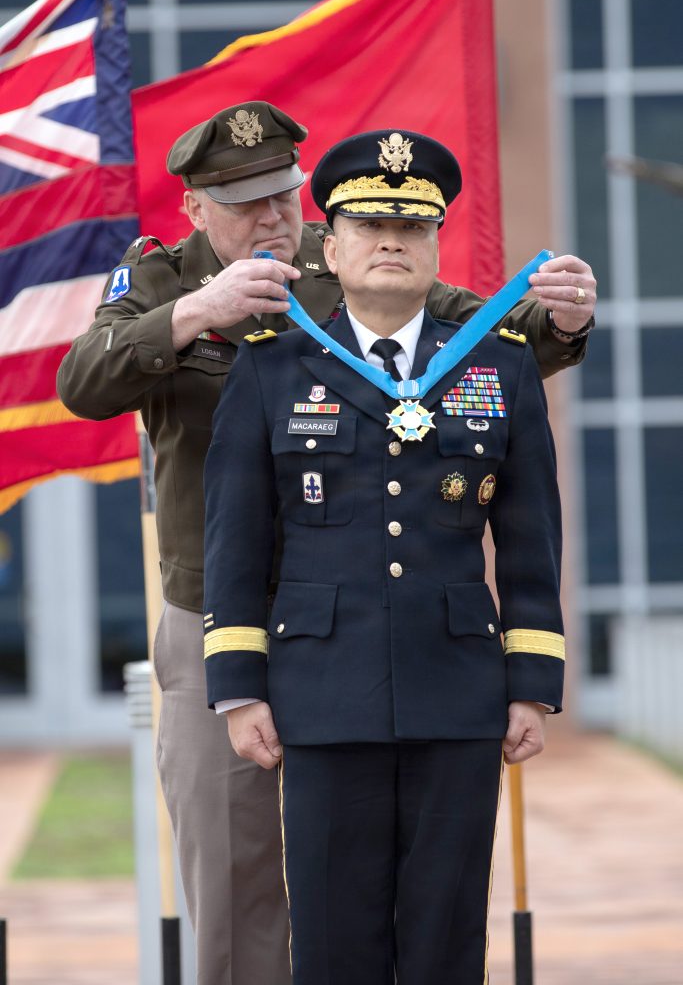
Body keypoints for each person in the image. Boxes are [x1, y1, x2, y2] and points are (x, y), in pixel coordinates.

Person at [57, 101, 594, 985]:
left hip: (356, 615)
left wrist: (562, 323)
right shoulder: (160, 278)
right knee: (234, 869)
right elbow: (84, 382)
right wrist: (198, 310)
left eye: (283, 196)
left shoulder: (339, 257)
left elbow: (471, 330)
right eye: (244, 202)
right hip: (215, 610)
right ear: (194, 209)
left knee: (380, 880)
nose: (272, 218)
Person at [203, 128, 565, 985]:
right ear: (331, 247)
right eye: (368, 227)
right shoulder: (270, 365)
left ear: (438, 245)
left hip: (458, 688)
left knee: (444, 933)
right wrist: (238, 687)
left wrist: (531, 687)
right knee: (333, 933)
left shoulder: (499, 366)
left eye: (412, 228)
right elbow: (235, 536)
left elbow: (526, 540)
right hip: (319, 689)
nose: (391, 243)